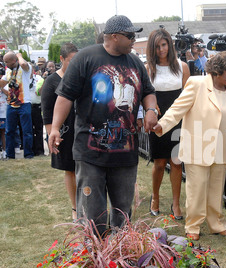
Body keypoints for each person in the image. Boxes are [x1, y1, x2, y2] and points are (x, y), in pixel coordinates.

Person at [48, 15, 159, 237]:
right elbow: (65, 96)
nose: (133, 40)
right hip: (91, 152)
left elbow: (148, 91)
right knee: (93, 216)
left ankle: (120, 264)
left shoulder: (135, 62)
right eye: (130, 36)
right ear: (114, 37)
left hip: (125, 152)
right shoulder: (85, 58)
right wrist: (54, 127)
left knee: (123, 216)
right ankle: (94, 261)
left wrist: (151, 110)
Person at [152, 51, 226, 241]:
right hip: (198, 146)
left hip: (222, 146)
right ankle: (193, 226)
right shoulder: (197, 84)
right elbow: (177, 108)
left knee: (216, 188)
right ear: (217, 71)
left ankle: (217, 224)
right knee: (197, 188)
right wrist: (161, 125)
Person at [146, 28, 190, 219]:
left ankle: (175, 203)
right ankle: (154, 197)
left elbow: (188, 96)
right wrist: (152, 111)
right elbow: (145, 95)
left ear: (170, 45)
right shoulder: (148, 68)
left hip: (178, 119)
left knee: (177, 162)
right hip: (157, 118)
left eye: (164, 45)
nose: (161, 50)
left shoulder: (183, 67)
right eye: (157, 47)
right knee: (159, 162)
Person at [41, 43, 79, 221]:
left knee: (86, 170)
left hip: (82, 130)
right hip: (64, 132)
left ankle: (87, 204)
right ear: (62, 59)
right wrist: (52, 135)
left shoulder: (82, 78)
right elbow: (47, 113)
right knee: (70, 170)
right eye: (71, 60)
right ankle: (75, 207)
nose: (74, 64)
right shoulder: (51, 81)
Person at [0, 51, 34, 159]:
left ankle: (28, 154)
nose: (5, 64)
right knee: (9, 131)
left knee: (27, 131)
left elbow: (23, 64)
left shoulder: (25, 69)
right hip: (11, 104)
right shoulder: (8, 71)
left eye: (7, 62)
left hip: (24, 103)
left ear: (14, 61)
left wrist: (19, 55)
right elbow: (2, 83)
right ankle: (10, 155)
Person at [29, 69, 45, 156]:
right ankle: (30, 150)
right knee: (28, 130)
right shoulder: (21, 79)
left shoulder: (39, 79)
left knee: (38, 129)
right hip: (26, 106)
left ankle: (39, 151)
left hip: (36, 107)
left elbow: (39, 92)